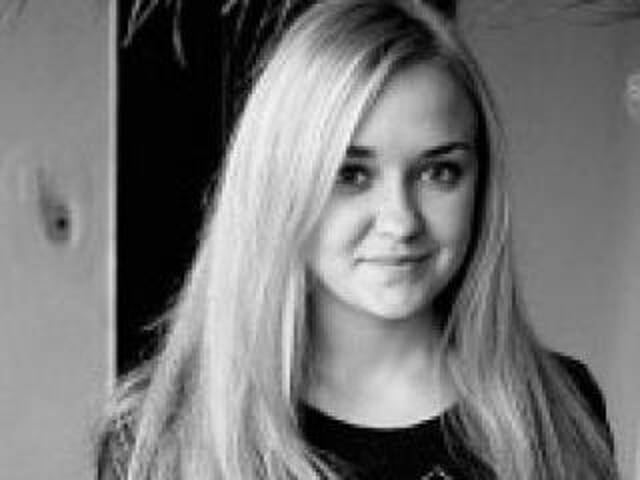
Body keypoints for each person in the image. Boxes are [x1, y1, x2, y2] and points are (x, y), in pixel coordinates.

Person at [97, 0, 618, 478]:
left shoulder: (559, 408)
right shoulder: (158, 433)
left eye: (439, 172)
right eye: (351, 174)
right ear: (280, 185)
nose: (401, 220)